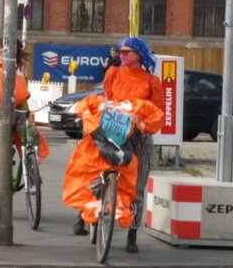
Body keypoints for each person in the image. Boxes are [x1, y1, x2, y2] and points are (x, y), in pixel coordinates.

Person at [63, 37, 164, 254]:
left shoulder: (151, 81)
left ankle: (132, 235)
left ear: (139, 54)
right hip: (112, 130)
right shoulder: (113, 73)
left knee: (137, 186)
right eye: (120, 51)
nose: (122, 55)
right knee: (93, 172)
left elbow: (157, 113)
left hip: (139, 137)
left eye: (127, 51)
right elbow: (107, 100)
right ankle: (84, 216)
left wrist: (143, 123)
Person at [0, 40, 49, 184]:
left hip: (17, 112)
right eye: (0, 51)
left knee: (33, 136)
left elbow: (22, 95)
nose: (2, 54)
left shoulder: (16, 69)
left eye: (6, 51)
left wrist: (28, 117)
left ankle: (31, 169)